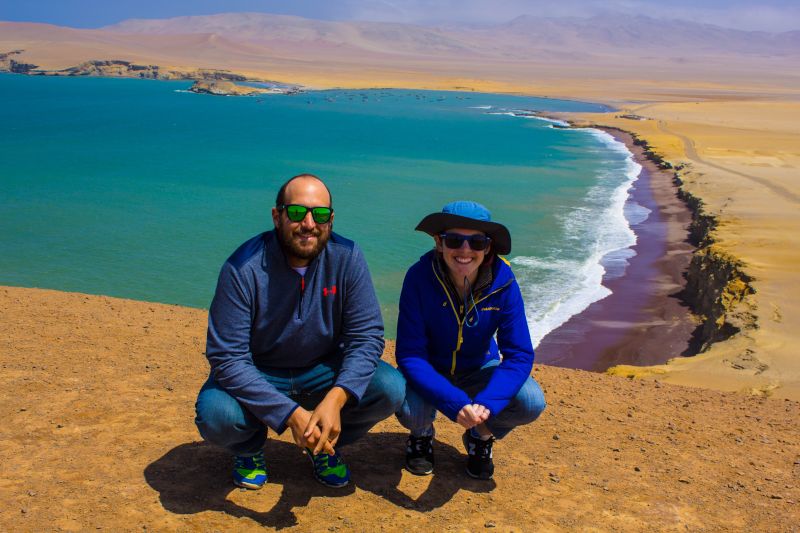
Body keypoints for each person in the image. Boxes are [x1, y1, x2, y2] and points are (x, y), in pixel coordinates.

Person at [195, 173, 405, 489]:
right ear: (276, 216)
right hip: (261, 371)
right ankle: (248, 449)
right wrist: (291, 414)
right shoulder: (242, 268)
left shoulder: (347, 257)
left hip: (323, 370)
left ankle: (324, 443)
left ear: (330, 219)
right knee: (216, 414)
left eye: (319, 214)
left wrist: (336, 398)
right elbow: (227, 358)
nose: (308, 223)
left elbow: (366, 336)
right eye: (296, 212)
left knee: (390, 388)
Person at [395, 201, 546, 480]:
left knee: (531, 401)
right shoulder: (418, 278)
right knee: (404, 402)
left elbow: (519, 354)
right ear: (439, 243)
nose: (465, 250)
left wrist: (488, 403)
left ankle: (480, 436)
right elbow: (410, 354)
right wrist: (453, 401)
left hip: (479, 369)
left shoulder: (504, 283)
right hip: (430, 368)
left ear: (487, 247)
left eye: (476, 242)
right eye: (455, 240)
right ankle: (422, 434)